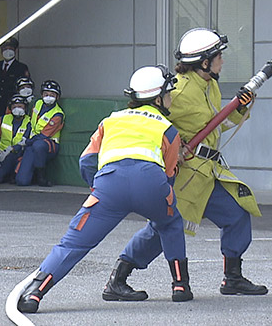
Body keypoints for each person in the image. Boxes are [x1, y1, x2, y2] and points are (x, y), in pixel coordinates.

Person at [104, 28, 267, 297]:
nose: (222, 61)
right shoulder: (177, 92)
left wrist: (239, 109)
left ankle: (233, 278)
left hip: (209, 173)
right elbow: (144, 122)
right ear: (205, 62)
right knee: (162, 230)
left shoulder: (210, 86)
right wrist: (171, 147)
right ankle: (118, 278)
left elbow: (214, 127)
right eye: (219, 57)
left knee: (237, 215)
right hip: (185, 177)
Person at [17, 66, 190, 314]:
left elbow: (86, 161)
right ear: (158, 98)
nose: (171, 99)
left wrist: (98, 189)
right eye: (169, 94)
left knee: (73, 243)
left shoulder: (110, 120)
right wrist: (161, 196)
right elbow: (170, 174)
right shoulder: (168, 128)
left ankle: (34, 293)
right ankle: (180, 286)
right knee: (170, 222)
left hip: (109, 185)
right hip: (150, 183)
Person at [15, 80, 64, 187]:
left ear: (57, 97)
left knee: (39, 145)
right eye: (46, 94)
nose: (48, 97)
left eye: (52, 95)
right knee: (21, 181)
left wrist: (27, 142)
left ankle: (41, 177)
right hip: (32, 143)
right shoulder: (38, 104)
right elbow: (30, 123)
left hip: (48, 144)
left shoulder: (57, 114)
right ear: (42, 94)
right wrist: (25, 138)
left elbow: (44, 135)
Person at [0, 94, 32, 184]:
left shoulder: (30, 121)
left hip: (20, 155)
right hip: (3, 156)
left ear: (25, 108)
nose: (17, 109)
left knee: (21, 180)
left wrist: (14, 148)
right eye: (14, 107)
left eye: (20, 106)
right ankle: (7, 174)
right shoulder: (3, 119)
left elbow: (28, 140)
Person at [0, 37, 30, 119]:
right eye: (5, 48)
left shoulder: (21, 67)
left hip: (13, 105)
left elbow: (24, 86)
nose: (7, 51)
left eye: (10, 48)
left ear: (15, 50)